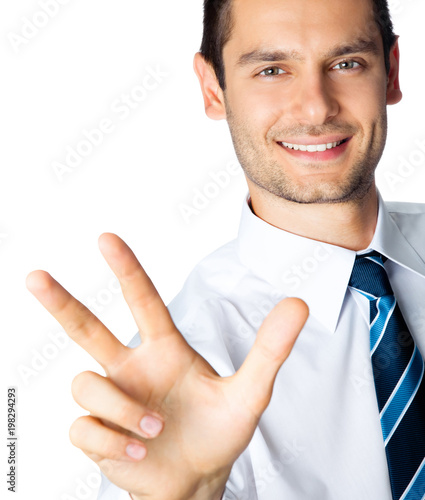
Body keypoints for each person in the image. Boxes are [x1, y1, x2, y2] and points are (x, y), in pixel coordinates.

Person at [26, 0, 425, 498]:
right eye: (272, 69)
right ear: (214, 88)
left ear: (390, 74)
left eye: (347, 63)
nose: (316, 106)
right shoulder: (186, 371)